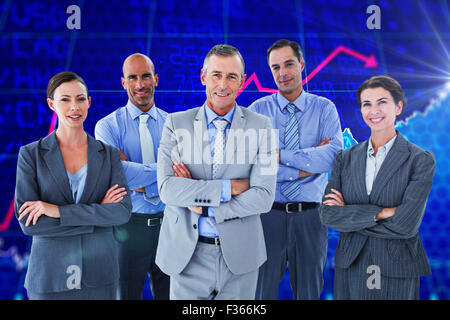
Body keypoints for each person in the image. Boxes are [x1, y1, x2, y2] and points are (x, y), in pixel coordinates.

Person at [155, 44, 277, 300]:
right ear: (203, 77)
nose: (223, 84)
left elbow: (264, 197)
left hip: (241, 258)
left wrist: (206, 206)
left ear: (242, 81)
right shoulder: (176, 124)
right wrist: (228, 188)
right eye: (216, 75)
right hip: (187, 256)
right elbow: (168, 189)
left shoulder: (262, 127)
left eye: (232, 76)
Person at [14, 71, 132, 300]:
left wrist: (57, 211)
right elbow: (30, 224)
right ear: (51, 104)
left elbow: (121, 213)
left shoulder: (108, 154)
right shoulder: (31, 155)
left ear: (89, 102)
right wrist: (98, 216)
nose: (74, 107)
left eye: (80, 99)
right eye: (65, 99)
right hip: (49, 277)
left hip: (99, 276)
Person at [319, 75, 436, 299]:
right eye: (367, 104)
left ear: (398, 107)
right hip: (351, 263)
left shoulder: (419, 160)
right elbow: (329, 215)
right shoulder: (345, 158)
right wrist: (383, 212)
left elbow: (406, 224)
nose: (374, 110)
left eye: (382, 102)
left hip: (395, 265)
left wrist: (351, 216)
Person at [248, 39, 343, 300]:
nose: (283, 73)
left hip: (311, 218)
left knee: (309, 293)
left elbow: (333, 157)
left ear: (302, 64)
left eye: (289, 64)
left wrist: (278, 156)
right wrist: (307, 168)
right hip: (268, 216)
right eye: (275, 67)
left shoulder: (324, 109)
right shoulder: (257, 111)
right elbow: (253, 168)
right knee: (260, 294)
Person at [95, 53, 170, 300]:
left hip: (169, 228)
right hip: (127, 230)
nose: (140, 84)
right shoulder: (107, 127)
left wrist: (137, 179)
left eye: (146, 76)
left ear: (156, 79)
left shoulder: (174, 124)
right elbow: (120, 176)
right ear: (123, 82)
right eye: (133, 78)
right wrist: (166, 173)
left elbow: (187, 176)